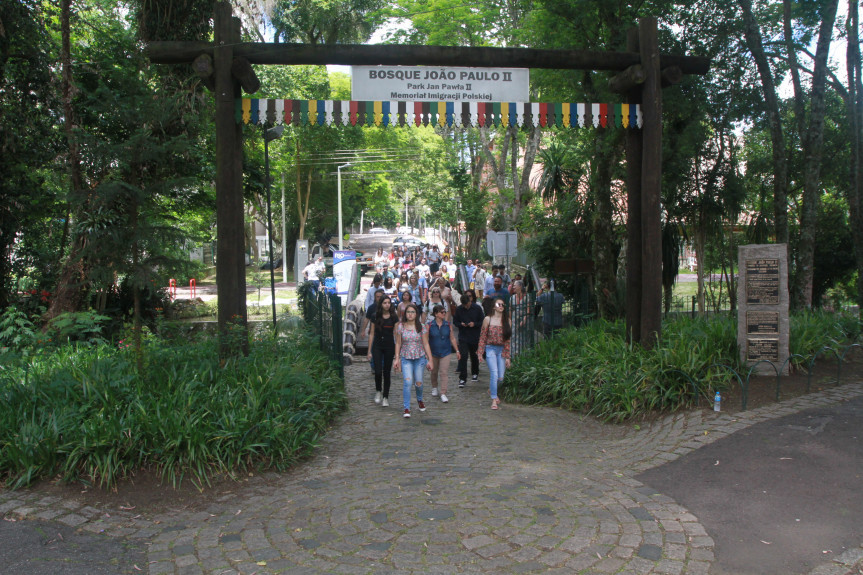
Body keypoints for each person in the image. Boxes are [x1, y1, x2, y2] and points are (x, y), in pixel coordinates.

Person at [394, 303, 434, 418]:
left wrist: (430, 360)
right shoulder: (400, 326)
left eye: (412, 312)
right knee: (407, 382)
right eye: (408, 312)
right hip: (406, 357)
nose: (410, 314)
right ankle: (406, 407)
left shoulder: (421, 327)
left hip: (419, 357)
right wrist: (397, 359)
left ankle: (420, 399)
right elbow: (398, 343)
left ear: (416, 314)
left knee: (419, 383)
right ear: (405, 314)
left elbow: (426, 344)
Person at [478, 297, 512, 410]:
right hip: (490, 348)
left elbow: (507, 340)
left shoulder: (507, 320)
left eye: (503, 305)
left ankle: (491, 390)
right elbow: (483, 337)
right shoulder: (488, 319)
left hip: (501, 349)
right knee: (494, 373)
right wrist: (480, 352)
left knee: (501, 377)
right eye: (498, 304)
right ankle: (494, 398)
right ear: (494, 306)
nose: (501, 306)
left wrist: (507, 357)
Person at [367, 295, 398, 407]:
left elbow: (396, 334)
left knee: (387, 372)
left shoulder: (394, 317)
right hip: (377, 346)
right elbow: (371, 334)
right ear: (381, 304)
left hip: (389, 346)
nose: (387, 305)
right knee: (378, 371)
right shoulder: (375, 316)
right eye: (385, 303)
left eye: (388, 303)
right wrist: (369, 351)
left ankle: (386, 396)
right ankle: (378, 391)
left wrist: (397, 353)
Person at [428, 304, 460, 403]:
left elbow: (452, 338)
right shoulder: (429, 325)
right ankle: (434, 387)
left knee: (444, 372)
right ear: (436, 314)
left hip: (446, 351)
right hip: (433, 352)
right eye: (442, 312)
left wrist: (457, 350)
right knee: (434, 371)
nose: (444, 313)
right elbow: (426, 340)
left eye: (444, 312)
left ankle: (443, 392)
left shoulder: (447, 324)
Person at [453, 292, 484, 387]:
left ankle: (475, 373)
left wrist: (474, 324)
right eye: (464, 305)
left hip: (474, 335)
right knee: (463, 356)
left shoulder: (477, 308)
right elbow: (455, 321)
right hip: (463, 336)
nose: (466, 307)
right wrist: (460, 324)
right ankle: (462, 378)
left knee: (474, 356)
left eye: (467, 305)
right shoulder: (459, 309)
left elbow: (482, 321)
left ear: (470, 301)